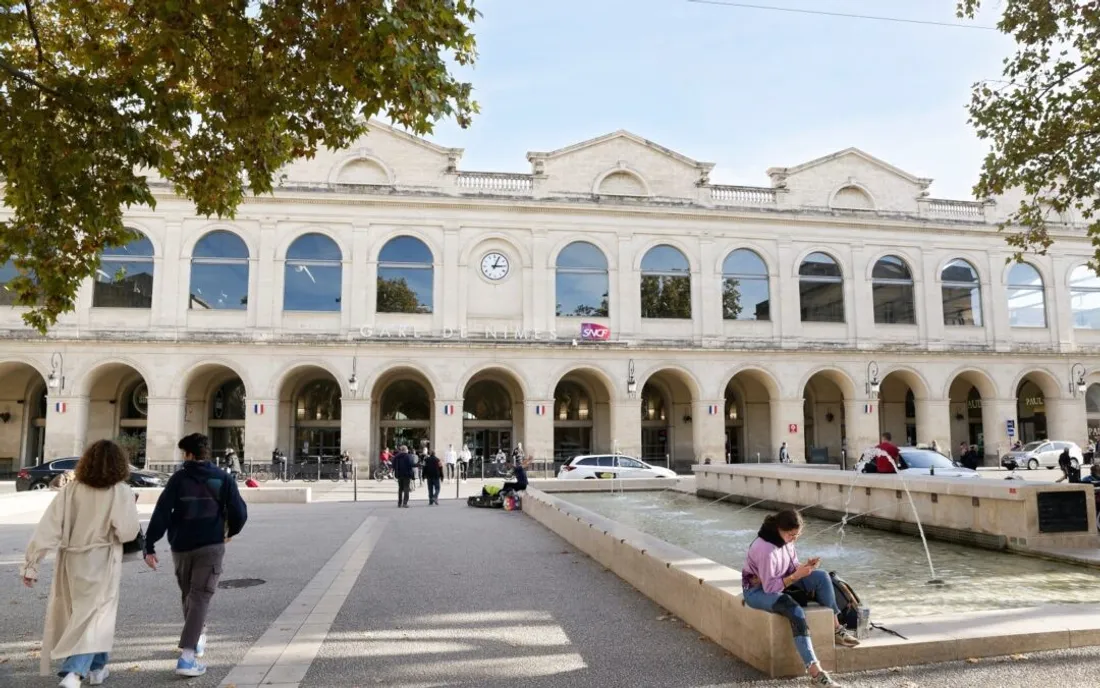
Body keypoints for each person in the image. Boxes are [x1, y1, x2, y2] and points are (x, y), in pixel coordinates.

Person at [22, 440, 141, 688]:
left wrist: (32, 564)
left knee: (89, 614)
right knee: (94, 615)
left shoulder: (71, 489)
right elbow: (127, 532)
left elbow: (48, 527)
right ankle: (73, 673)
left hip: (72, 561)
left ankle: (98, 668)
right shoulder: (120, 491)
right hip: (103, 560)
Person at [144, 433, 248, 678]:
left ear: (189, 454)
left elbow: (162, 512)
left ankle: (196, 639)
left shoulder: (178, 479)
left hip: (181, 546)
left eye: (184, 453)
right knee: (199, 597)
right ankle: (188, 656)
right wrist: (230, 532)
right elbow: (240, 512)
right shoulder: (223, 478)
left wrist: (150, 544)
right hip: (210, 544)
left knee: (191, 594)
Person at [741, 509, 858, 687]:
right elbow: (770, 587)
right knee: (793, 609)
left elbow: (791, 567)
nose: (794, 538)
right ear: (779, 528)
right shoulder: (764, 548)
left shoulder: (786, 540)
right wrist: (796, 576)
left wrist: (806, 567)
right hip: (757, 591)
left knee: (822, 576)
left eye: (797, 535)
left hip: (780, 583)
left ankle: (836, 628)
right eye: (791, 534)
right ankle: (815, 673)